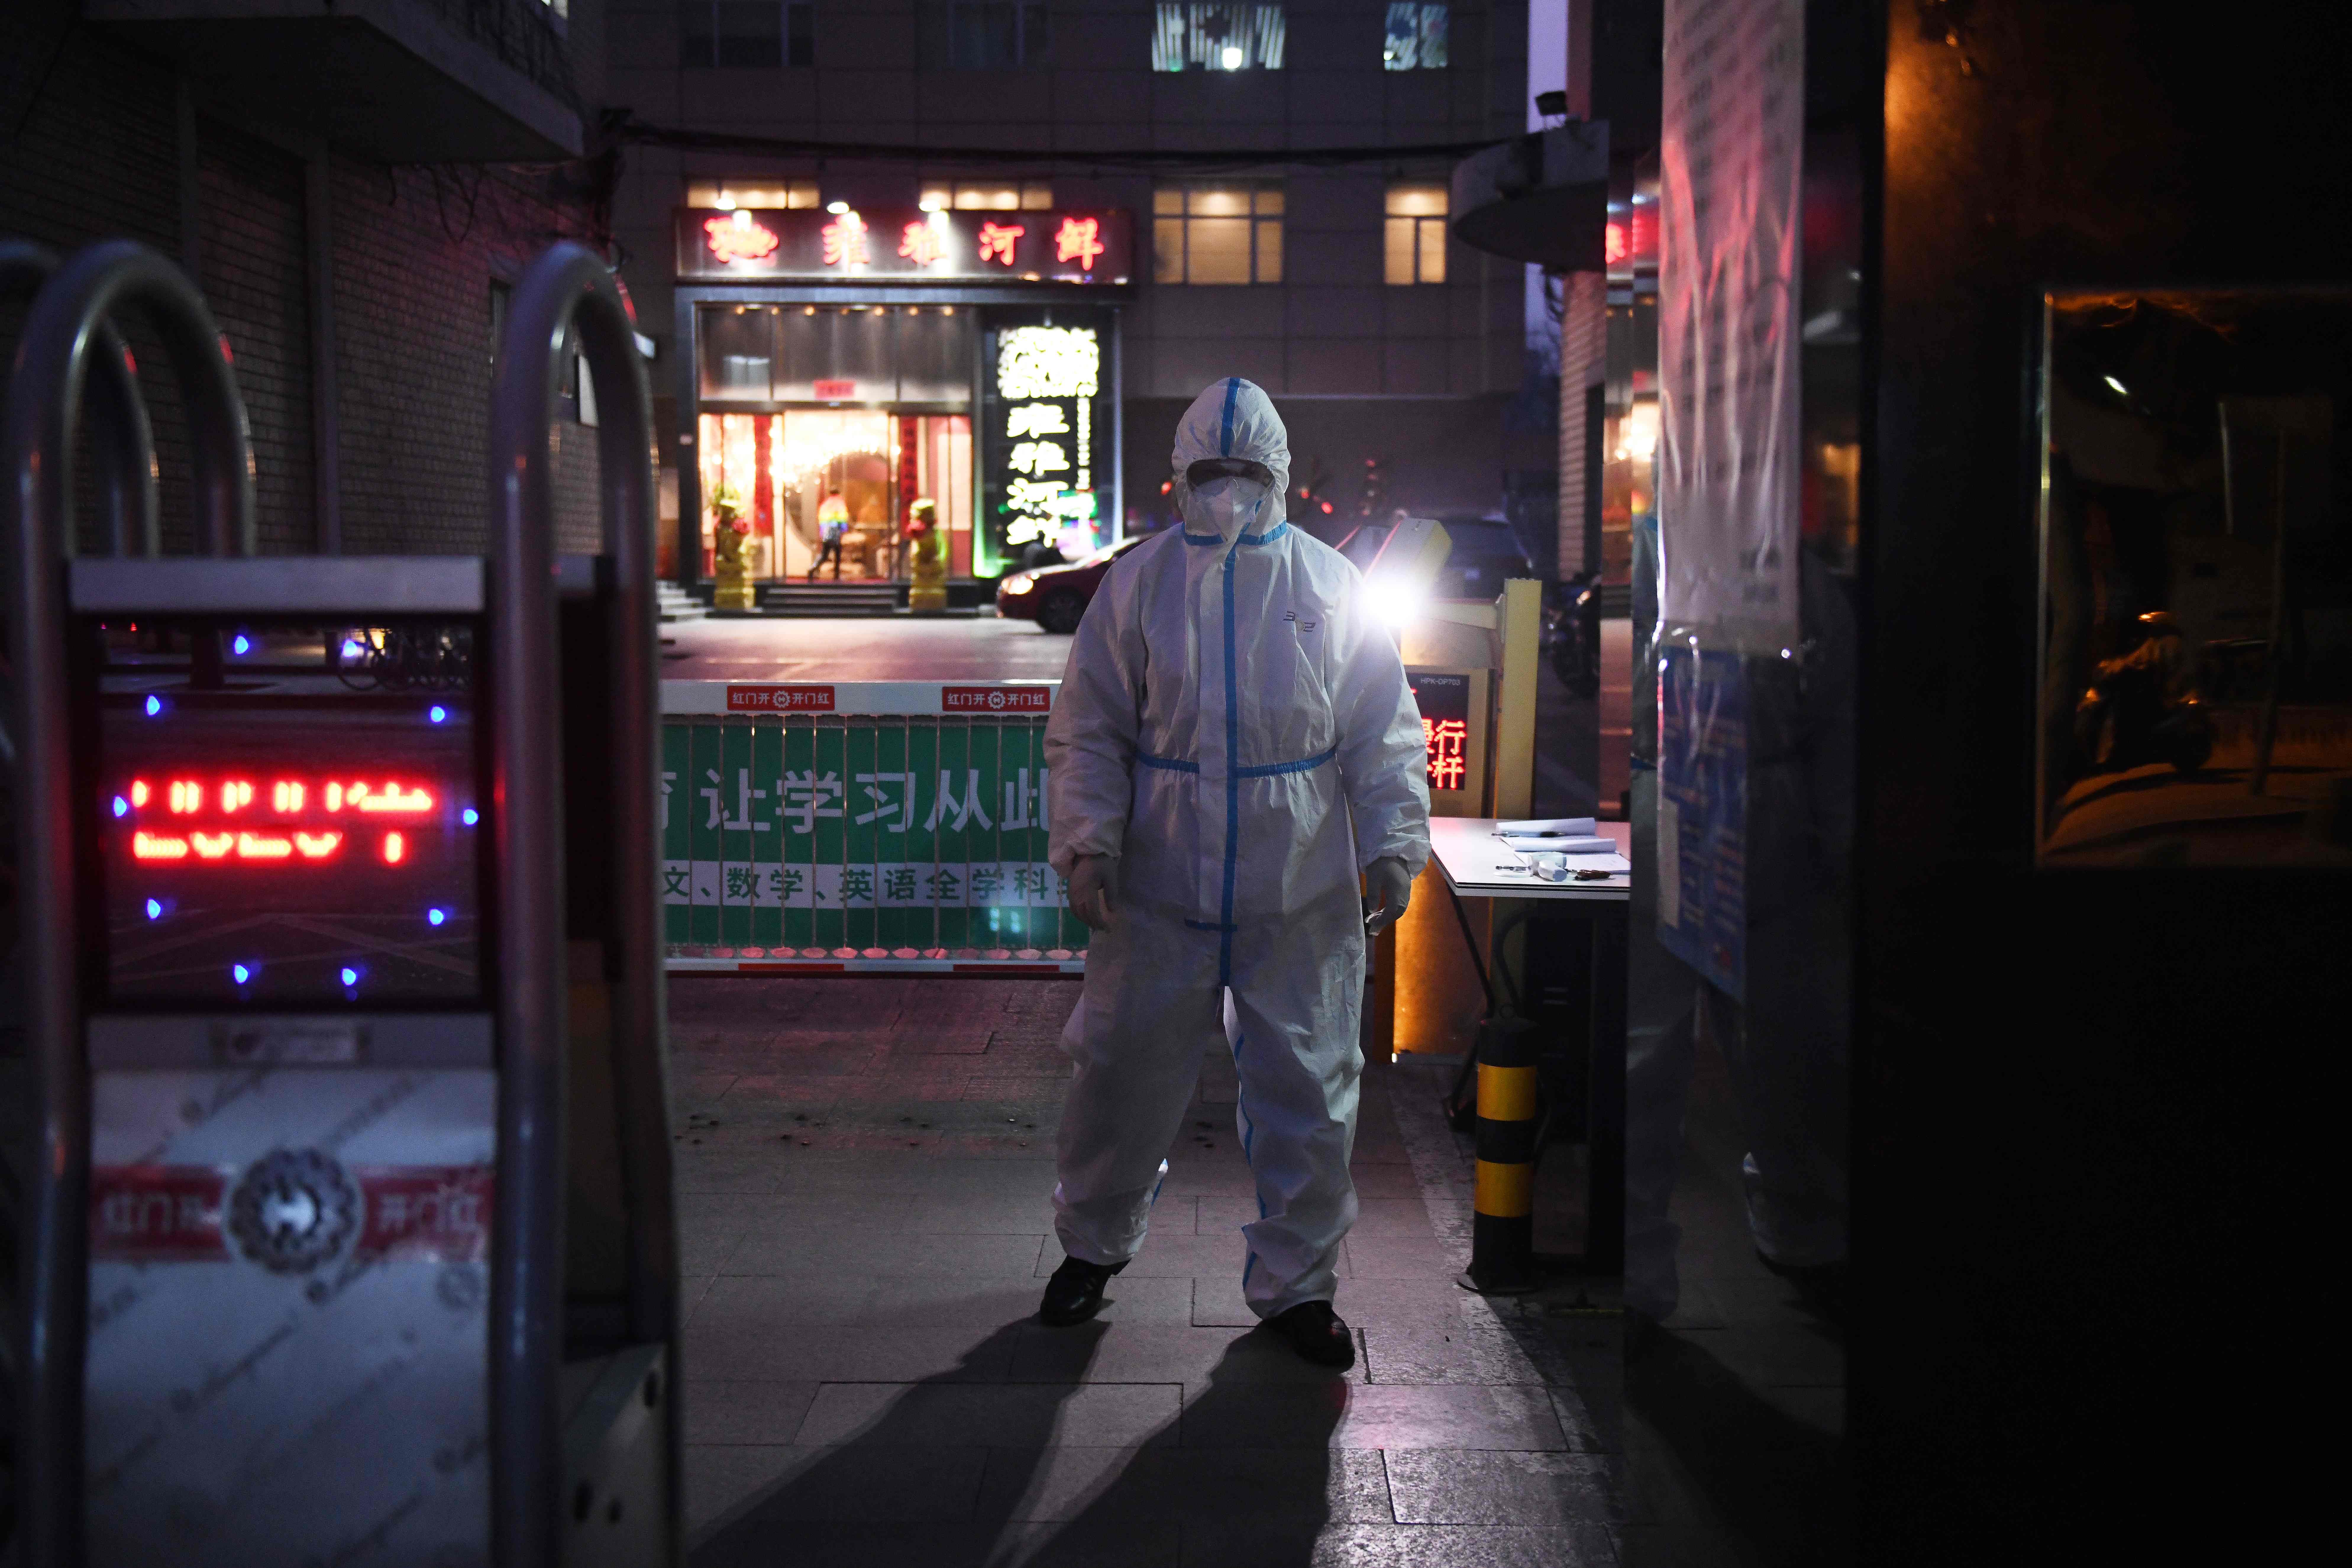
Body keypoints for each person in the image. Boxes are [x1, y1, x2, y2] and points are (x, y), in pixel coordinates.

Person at [1038, 378, 1431, 1367]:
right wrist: (1089, 837)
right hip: (1158, 883)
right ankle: (1093, 1248)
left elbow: (1383, 728)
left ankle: (1297, 1287)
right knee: (1119, 1074)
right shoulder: (1139, 585)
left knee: (1309, 1081)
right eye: (1210, 476)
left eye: (1245, 476)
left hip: (1296, 880)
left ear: (1280, 480)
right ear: (1178, 481)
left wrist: (1392, 840)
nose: (1227, 495)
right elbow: (1088, 727)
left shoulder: (1329, 588)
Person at [807, 492, 849, 580]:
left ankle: (813, 569)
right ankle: (837, 575)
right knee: (837, 555)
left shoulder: (825, 505)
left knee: (824, 555)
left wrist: (822, 533)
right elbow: (843, 520)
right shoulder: (840, 504)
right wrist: (844, 531)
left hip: (826, 534)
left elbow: (822, 521)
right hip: (836, 534)